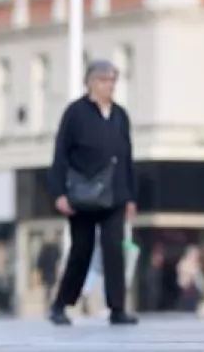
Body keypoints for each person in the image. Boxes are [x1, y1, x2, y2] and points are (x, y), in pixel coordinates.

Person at [47, 60, 139, 326]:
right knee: (81, 251)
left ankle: (118, 308)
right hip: (83, 195)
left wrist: (131, 196)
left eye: (112, 80)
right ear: (90, 82)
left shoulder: (120, 115)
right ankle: (61, 304)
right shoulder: (75, 113)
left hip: (115, 194)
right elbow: (60, 154)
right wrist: (59, 193)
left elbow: (128, 157)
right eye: (103, 80)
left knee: (114, 252)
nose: (109, 85)